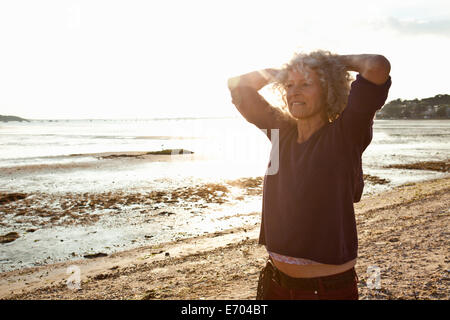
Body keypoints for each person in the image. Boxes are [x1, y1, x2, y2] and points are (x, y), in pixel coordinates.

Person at [227, 51, 391, 300]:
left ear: (329, 90)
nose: (294, 91)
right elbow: (237, 85)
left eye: (306, 84)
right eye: (290, 86)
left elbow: (377, 66)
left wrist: (330, 64)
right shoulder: (281, 132)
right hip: (275, 284)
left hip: (326, 292)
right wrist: (284, 71)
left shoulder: (346, 134)